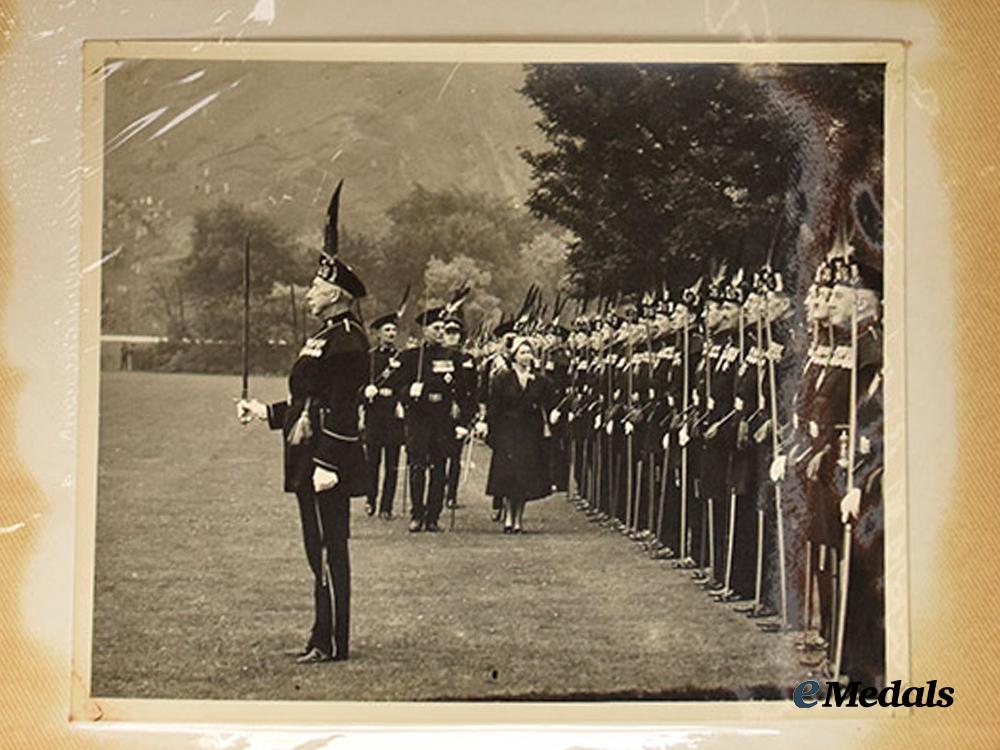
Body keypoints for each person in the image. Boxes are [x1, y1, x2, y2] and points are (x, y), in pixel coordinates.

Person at [237, 182, 368, 664]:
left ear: (335, 295)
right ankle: (322, 634)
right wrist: (266, 412)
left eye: (317, 286)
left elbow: (343, 404)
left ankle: (331, 641)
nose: (310, 291)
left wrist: (331, 462)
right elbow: (305, 399)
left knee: (329, 549)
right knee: (317, 549)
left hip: (324, 461)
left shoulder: (349, 340)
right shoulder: (325, 336)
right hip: (306, 455)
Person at [390, 305, 475, 532]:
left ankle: (433, 515)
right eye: (436, 328)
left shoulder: (454, 357)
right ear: (424, 330)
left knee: (439, 467)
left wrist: (463, 419)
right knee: (417, 466)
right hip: (418, 418)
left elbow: (466, 390)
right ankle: (417, 514)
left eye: (443, 328)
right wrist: (409, 391)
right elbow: (395, 386)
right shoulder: (410, 357)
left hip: (442, 418)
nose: (440, 332)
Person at [482, 337, 551, 533]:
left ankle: (518, 518)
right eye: (522, 353)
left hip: (529, 432)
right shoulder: (503, 378)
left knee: (524, 477)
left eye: (529, 353)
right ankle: (508, 517)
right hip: (507, 431)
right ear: (514, 356)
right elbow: (495, 405)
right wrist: (489, 427)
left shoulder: (539, 380)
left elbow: (549, 398)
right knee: (508, 475)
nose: (526, 356)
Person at [363, 312, 405, 520]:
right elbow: (357, 385)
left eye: (393, 330)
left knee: (392, 464)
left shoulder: (401, 358)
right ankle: (371, 499)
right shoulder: (369, 357)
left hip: (393, 416)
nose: (391, 333)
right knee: (372, 463)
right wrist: (365, 391)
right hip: (374, 415)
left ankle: (386, 506)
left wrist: (401, 400)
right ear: (378, 334)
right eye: (387, 330)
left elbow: (406, 384)